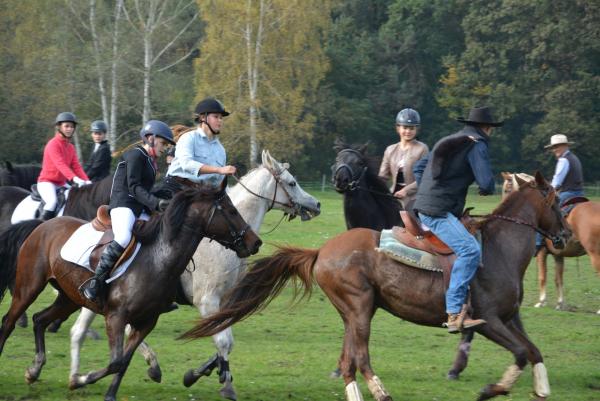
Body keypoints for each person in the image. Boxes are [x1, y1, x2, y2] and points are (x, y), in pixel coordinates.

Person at [413, 106, 502, 333]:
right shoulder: (476, 143)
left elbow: (419, 167)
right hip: (438, 211)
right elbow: (486, 182)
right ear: (487, 128)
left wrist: (428, 189)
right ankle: (453, 313)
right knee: (471, 250)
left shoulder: (450, 139)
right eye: (491, 129)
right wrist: (487, 188)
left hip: (431, 206)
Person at [81, 120, 175, 304]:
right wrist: (156, 203)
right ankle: (96, 283)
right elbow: (133, 187)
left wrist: (166, 194)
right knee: (123, 237)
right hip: (123, 204)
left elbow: (146, 190)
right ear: (150, 138)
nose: (165, 148)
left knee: (160, 235)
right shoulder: (135, 155)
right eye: (163, 143)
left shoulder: (150, 161)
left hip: (139, 207)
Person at [160, 98, 236, 196]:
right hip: (176, 189)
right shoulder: (188, 138)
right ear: (203, 118)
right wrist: (219, 170)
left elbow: (216, 182)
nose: (220, 121)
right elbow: (187, 164)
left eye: (221, 118)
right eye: (216, 117)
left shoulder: (221, 150)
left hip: (200, 194)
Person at [534, 134, 584, 254]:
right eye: (553, 147)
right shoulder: (574, 158)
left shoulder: (563, 160)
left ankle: (537, 243)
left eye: (557, 146)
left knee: (543, 211)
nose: (554, 149)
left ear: (565, 146)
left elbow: (556, 182)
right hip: (580, 193)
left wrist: (547, 191)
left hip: (568, 193)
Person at [37, 112, 91, 220]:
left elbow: (76, 166)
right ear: (59, 127)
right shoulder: (53, 144)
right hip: (47, 182)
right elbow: (60, 164)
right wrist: (74, 178)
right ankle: (39, 226)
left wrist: (87, 180)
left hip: (61, 183)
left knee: (76, 198)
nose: (69, 129)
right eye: (66, 126)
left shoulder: (70, 147)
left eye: (71, 127)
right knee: (52, 202)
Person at [379, 108, 429, 209]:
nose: (408, 131)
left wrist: (406, 191)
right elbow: (382, 177)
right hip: (393, 197)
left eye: (411, 128)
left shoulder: (422, 149)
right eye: (405, 127)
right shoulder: (390, 150)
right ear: (398, 128)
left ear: (416, 129)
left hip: (415, 198)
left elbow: (424, 178)